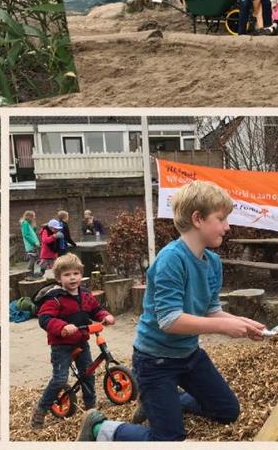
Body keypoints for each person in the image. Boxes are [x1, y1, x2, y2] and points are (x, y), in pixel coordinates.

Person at [79, 180, 264, 442]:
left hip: (190, 356)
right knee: (168, 439)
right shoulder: (171, 260)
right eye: (221, 219)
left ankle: (164, 400)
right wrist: (224, 327)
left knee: (227, 412)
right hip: (155, 362)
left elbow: (212, 311)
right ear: (198, 219)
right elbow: (169, 320)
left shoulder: (212, 262)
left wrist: (242, 323)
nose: (227, 226)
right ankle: (100, 428)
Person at [31, 253, 115, 429]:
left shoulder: (84, 294)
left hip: (81, 341)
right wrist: (62, 327)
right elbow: (44, 318)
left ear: (81, 274)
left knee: (88, 373)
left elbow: (95, 309)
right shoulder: (55, 297)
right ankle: (41, 409)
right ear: (59, 278)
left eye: (75, 274)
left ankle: (91, 407)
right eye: (67, 275)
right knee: (60, 379)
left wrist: (105, 315)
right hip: (61, 345)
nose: (72, 278)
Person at [21, 210, 40, 275]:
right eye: (33, 216)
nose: (34, 218)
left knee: (33, 258)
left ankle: (31, 273)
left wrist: (34, 227)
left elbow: (32, 233)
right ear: (29, 216)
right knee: (32, 259)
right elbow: (26, 235)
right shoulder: (25, 223)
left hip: (33, 244)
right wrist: (34, 242)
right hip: (31, 245)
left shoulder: (28, 224)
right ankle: (27, 273)